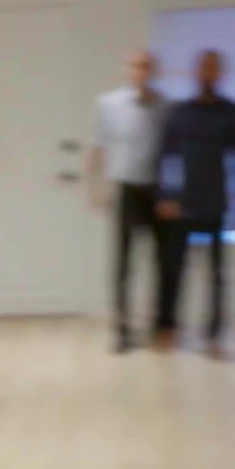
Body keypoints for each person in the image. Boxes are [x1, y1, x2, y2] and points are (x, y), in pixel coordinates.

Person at [154, 49, 235, 357]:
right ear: (195, 73)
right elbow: (166, 157)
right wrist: (165, 196)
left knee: (216, 274)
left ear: (221, 74)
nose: (208, 73)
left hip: (216, 203)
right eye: (204, 68)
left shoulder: (233, 113)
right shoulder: (179, 112)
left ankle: (213, 336)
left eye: (214, 68)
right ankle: (168, 328)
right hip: (181, 204)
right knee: (173, 269)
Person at [87, 49, 169, 353]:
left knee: (161, 261)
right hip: (126, 189)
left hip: (157, 190)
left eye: (147, 66)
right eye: (136, 65)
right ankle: (122, 329)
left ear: (155, 70)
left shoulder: (167, 106)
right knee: (123, 263)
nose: (141, 71)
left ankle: (158, 324)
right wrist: (95, 188)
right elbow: (98, 147)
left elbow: (173, 152)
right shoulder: (108, 104)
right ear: (127, 69)